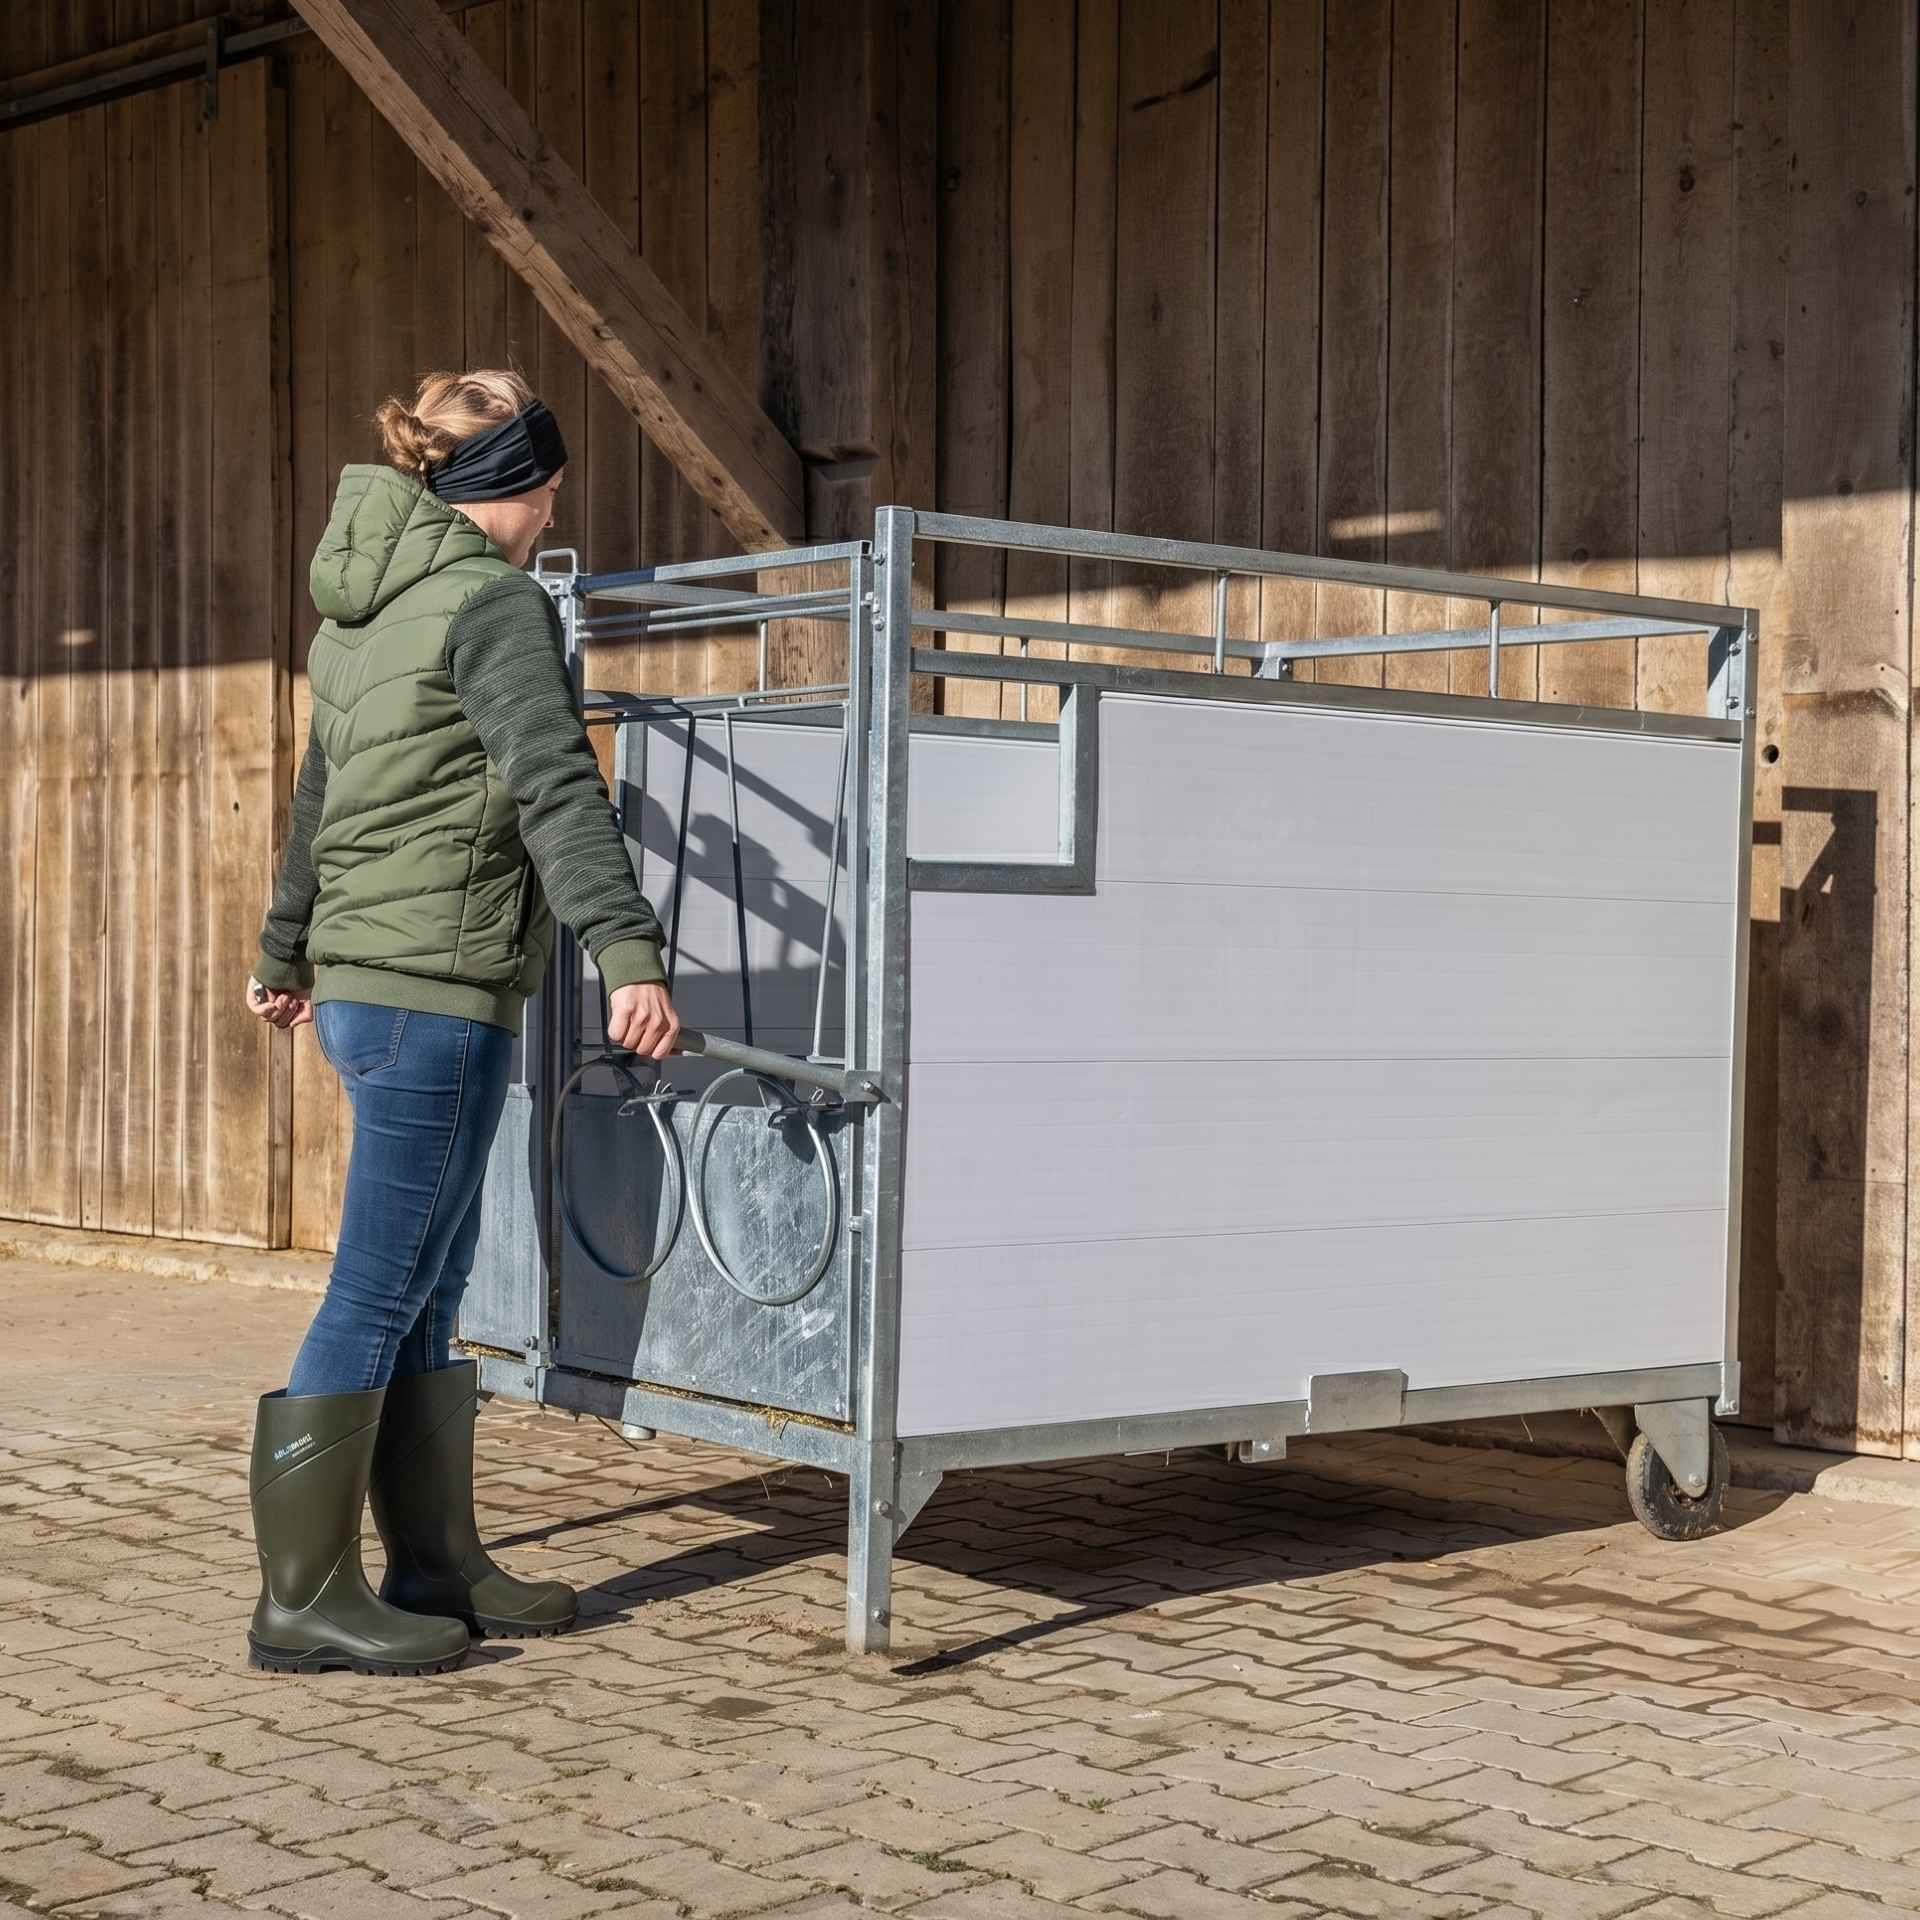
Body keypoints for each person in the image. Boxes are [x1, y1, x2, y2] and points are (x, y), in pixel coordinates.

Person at [242, 370, 678, 1676]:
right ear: (511, 488)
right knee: (380, 1290)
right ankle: (303, 1599)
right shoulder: (495, 608)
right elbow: (554, 782)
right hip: (434, 995)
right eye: (547, 489)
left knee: (428, 1288)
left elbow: (324, 789)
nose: (553, 513)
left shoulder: (359, 617)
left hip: (380, 991)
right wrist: (628, 951)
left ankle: (435, 1565)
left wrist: (284, 947)